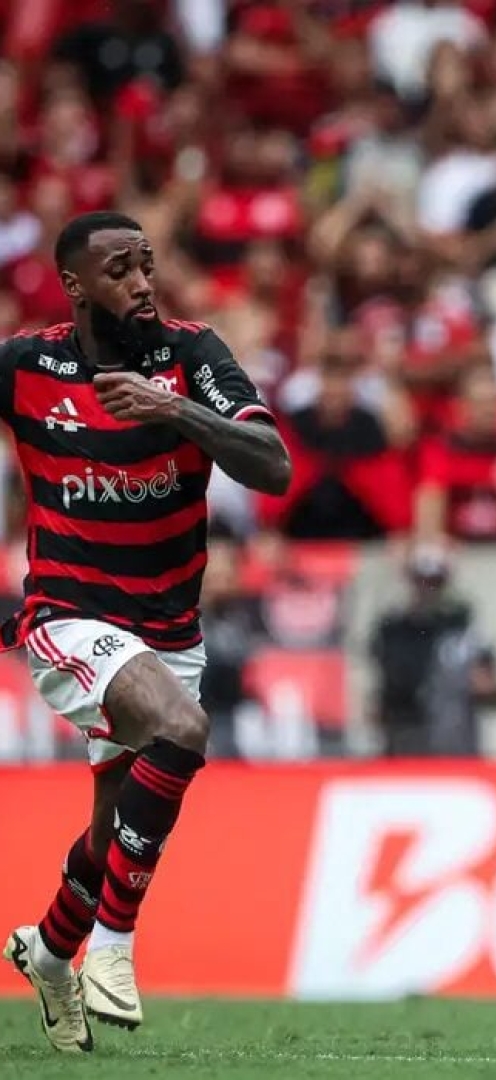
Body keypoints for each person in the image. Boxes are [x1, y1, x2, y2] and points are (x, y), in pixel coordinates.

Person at [0, 211, 291, 1052]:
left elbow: (272, 467)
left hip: (169, 628)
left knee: (109, 836)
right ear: (75, 285)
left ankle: (53, 952)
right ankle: (115, 953)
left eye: (147, 265)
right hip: (70, 615)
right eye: (120, 269)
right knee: (184, 730)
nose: (140, 282)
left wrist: (179, 412)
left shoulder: (192, 355)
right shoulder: (26, 366)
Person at [369, 544, 496, 756]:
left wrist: (487, 687)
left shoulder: (465, 628)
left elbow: (492, 688)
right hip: (405, 742)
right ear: (410, 581)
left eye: (435, 581)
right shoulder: (393, 630)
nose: (427, 588)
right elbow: (382, 689)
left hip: (456, 744)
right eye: (421, 580)